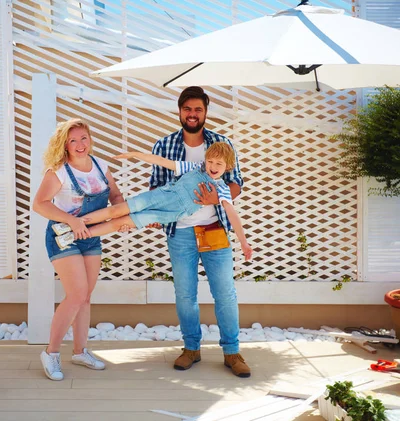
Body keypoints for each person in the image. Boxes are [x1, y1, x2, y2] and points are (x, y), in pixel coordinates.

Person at [152, 86, 251, 377]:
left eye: (198, 109)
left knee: (225, 294)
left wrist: (216, 197)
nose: (192, 114)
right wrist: (158, 212)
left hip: (214, 229)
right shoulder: (164, 145)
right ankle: (191, 348)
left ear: (205, 112)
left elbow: (237, 183)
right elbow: (156, 187)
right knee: (185, 295)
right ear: (180, 111)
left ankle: (232, 352)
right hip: (180, 231)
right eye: (187, 109)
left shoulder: (222, 143)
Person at [32, 118, 126, 381]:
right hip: (63, 237)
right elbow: (39, 204)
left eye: (83, 138)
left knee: (85, 296)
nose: (79, 144)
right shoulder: (58, 171)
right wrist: (71, 219)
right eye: (73, 140)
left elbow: (116, 197)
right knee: (76, 294)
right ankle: (50, 353)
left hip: (91, 236)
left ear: (90, 138)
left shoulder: (100, 166)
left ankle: (80, 351)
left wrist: (122, 218)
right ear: (65, 144)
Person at [52, 143, 252, 265]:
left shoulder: (223, 189)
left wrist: (243, 242)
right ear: (205, 159)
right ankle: (71, 223)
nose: (213, 167)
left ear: (228, 167)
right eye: (211, 161)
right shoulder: (194, 167)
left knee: (119, 223)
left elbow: (232, 215)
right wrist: (135, 155)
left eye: (219, 164)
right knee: (116, 210)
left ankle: (70, 236)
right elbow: (163, 161)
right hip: (162, 195)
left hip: (168, 214)